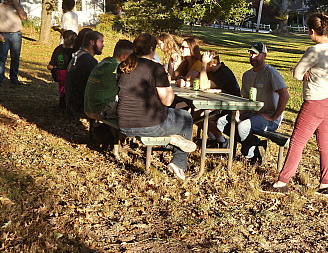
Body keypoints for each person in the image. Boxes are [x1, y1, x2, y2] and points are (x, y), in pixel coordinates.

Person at [268, 13, 328, 195]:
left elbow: (297, 74)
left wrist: (306, 72)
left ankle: (282, 182)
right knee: (325, 143)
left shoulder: (313, 51)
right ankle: (325, 185)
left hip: (316, 102)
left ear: (311, 30)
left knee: (297, 142)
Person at [117, 33, 196, 180]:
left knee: (172, 117)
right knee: (185, 117)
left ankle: (172, 139)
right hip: (148, 124)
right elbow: (167, 101)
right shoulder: (155, 68)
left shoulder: (123, 66)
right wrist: (167, 85)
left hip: (123, 122)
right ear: (152, 49)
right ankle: (178, 162)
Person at [236, 42, 290, 164]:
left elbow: (285, 96)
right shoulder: (247, 75)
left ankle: (251, 158)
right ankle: (255, 144)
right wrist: (238, 112)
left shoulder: (271, 72)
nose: (252, 57)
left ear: (264, 55)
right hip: (252, 113)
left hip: (268, 119)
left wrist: (274, 117)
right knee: (224, 121)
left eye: (256, 54)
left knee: (243, 127)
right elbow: (244, 98)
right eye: (250, 54)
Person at [198, 50, 241, 147]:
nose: (202, 66)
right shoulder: (214, 71)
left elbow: (203, 85)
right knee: (195, 115)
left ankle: (223, 142)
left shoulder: (223, 73)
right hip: (219, 105)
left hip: (231, 107)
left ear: (212, 65)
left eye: (204, 63)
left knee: (202, 116)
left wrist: (204, 65)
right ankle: (214, 139)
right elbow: (200, 81)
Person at [84, 39, 134, 120]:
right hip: (100, 109)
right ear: (125, 56)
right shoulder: (119, 68)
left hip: (88, 107)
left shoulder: (105, 61)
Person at [0, 0, 28, 86]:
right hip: (3, 35)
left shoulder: (18, 7)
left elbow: (24, 17)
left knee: (15, 57)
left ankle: (14, 78)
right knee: (1, 57)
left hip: (16, 35)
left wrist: (16, 5)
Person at [65, 31, 104, 118]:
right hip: (80, 108)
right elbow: (97, 87)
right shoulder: (89, 61)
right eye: (101, 42)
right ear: (92, 42)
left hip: (70, 103)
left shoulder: (78, 54)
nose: (103, 45)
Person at [47, 30, 77, 109]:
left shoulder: (58, 49)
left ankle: (62, 102)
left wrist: (52, 68)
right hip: (71, 74)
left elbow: (51, 65)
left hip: (60, 74)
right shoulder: (75, 51)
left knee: (62, 89)